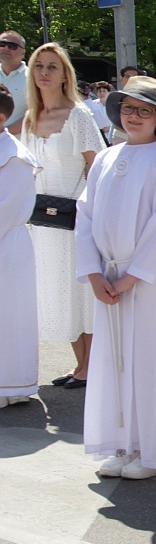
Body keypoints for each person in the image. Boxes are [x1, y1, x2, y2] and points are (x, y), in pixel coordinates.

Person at [74, 76, 156, 478]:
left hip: (148, 278)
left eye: (145, 110)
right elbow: (85, 217)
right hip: (108, 275)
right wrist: (93, 272)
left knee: (151, 357)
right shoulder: (107, 158)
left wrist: (133, 276)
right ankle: (123, 441)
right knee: (116, 360)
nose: (135, 116)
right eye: (128, 109)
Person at [22, 42, 105, 390]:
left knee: (81, 290)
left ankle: (91, 367)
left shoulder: (79, 115)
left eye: (52, 66)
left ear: (64, 74)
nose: (44, 72)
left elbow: (98, 165)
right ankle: (79, 364)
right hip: (42, 220)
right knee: (58, 291)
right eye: (39, 66)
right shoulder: (31, 117)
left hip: (75, 216)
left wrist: (88, 209)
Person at [0, 86, 38, 407]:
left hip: (7, 247)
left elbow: (6, 208)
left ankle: (9, 387)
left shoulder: (14, 156)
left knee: (8, 318)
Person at [0, 31, 28, 133]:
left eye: (12, 46)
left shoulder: (33, 78)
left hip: (19, 146)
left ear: (23, 52)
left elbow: (36, 114)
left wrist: (4, 134)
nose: (6, 48)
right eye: (2, 44)